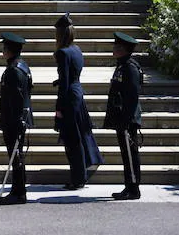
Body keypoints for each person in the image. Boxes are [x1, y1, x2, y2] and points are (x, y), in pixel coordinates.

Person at [53, 12, 103, 189]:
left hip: (69, 98)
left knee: (72, 139)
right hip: (78, 93)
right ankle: (80, 175)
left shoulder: (62, 53)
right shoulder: (77, 50)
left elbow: (65, 83)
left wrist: (59, 108)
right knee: (78, 135)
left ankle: (78, 178)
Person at [104, 31, 143, 201]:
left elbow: (133, 96)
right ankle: (128, 185)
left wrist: (127, 120)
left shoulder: (130, 68)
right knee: (126, 155)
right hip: (122, 119)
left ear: (123, 49)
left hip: (127, 120)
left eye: (116, 46)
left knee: (130, 154)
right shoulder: (123, 65)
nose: (114, 48)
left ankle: (133, 188)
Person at [0, 32, 34, 205]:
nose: (3, 51)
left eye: (5, 48)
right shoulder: (23, 66)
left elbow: (17, 98)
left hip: (13, 121)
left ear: (10, 50)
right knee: (17, 157)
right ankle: (18, 190)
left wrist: (18, 121)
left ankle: (19, 192)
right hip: (18, 119)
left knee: (16, 157)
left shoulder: (13, 70)